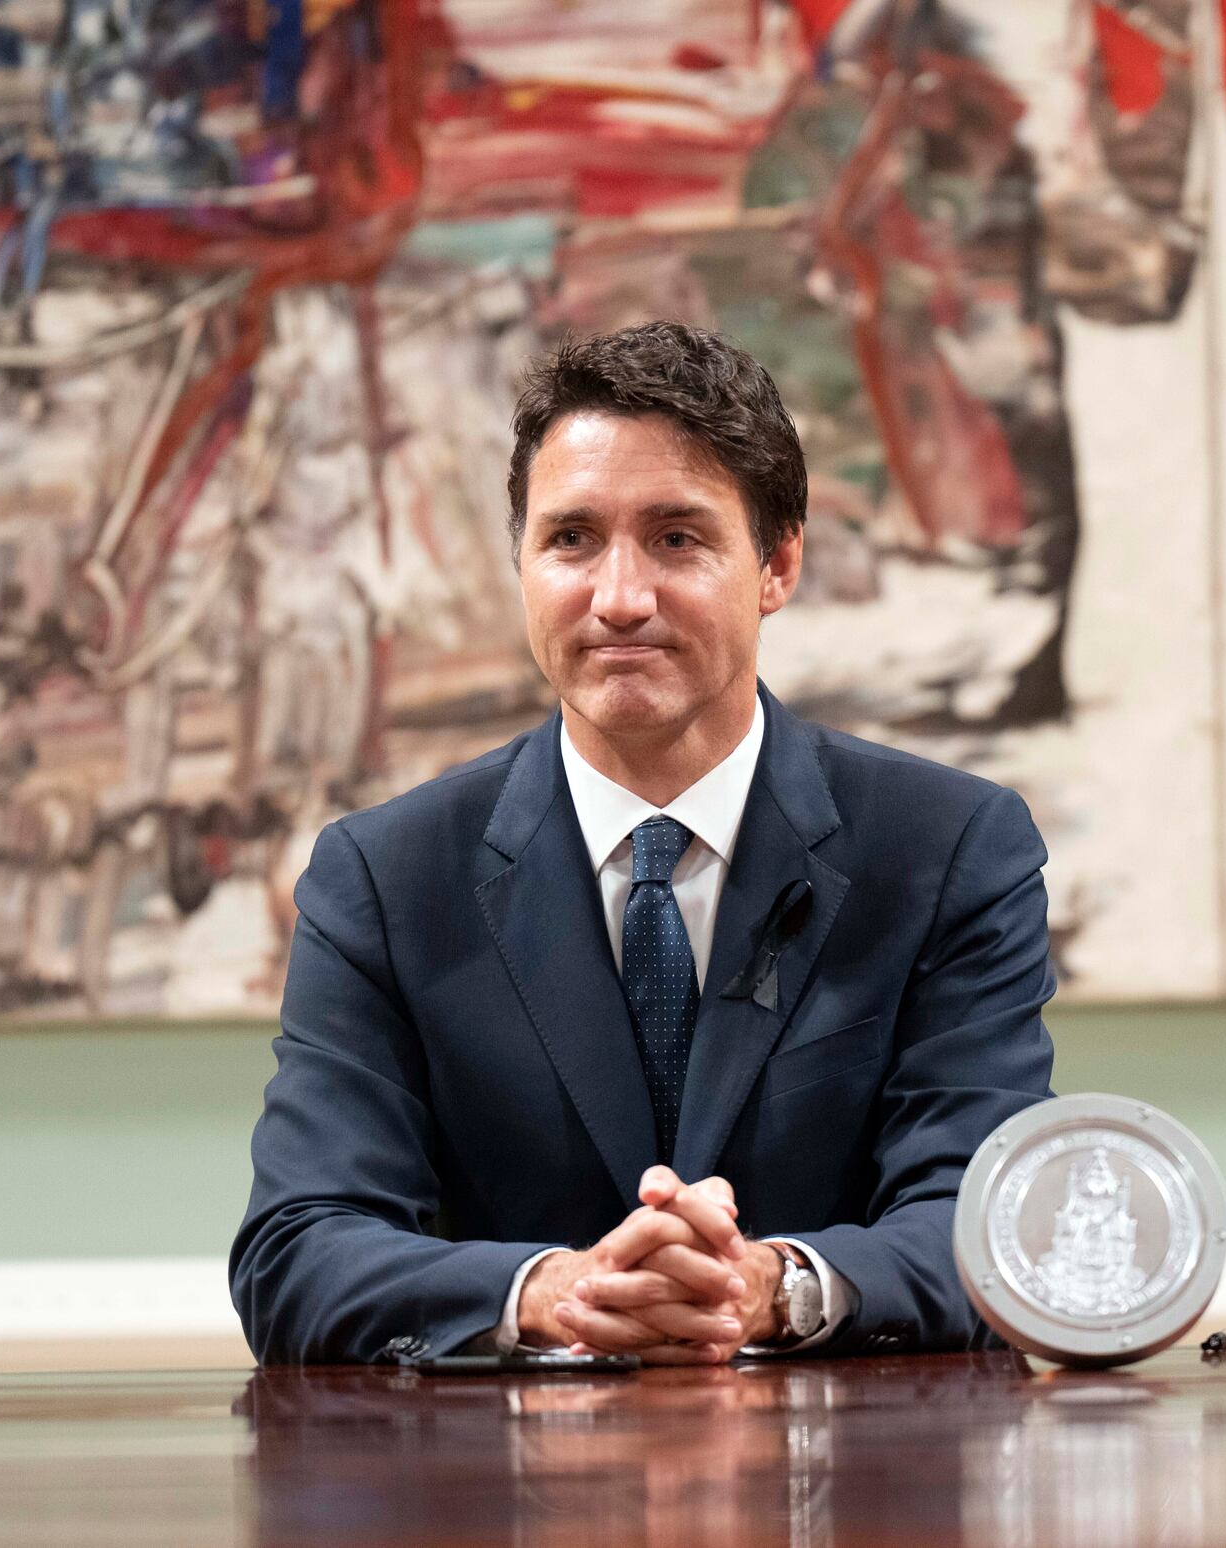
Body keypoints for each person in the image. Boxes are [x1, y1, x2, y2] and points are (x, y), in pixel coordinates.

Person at [231, 323, 1057, 1364]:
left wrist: (775, 1286)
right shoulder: (384, 880)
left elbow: (988, 1225)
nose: (619, 599)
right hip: (491, 1499)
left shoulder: (947, 852)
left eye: (677, 538)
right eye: (571, 539)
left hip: (854, 1491)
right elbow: (297, 1252)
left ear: (778, 563)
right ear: (522, 564)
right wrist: (553, 1292)